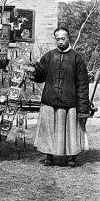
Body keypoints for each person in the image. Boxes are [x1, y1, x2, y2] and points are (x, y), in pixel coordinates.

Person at [31, 26, 90, 167]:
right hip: (50, 100)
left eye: (63, 39)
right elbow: (39, 77)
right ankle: (49, 156)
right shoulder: (49, 56)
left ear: (68, 38)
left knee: (70, 132)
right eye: (57, 39)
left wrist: (83, 109)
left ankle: (71, 157)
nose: (60, 42)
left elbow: (82, 85)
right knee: (49, 130)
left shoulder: (77, 58)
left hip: (70, 102)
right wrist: (33, 70)